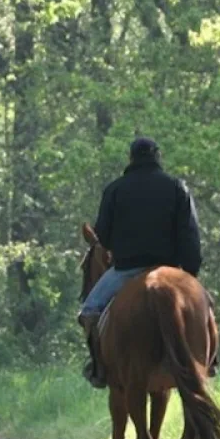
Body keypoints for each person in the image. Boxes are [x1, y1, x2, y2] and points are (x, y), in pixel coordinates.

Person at [79, 137, 203, 388]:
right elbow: (190, 235)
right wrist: (189, 275)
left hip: (127, 269)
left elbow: (102, 235)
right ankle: (208, 360)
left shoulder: (115, 189)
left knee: (89, 310)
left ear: (131, 158)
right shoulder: (177, 187)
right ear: (158, 156)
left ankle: (98, 368)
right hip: (171, 268)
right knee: (205, 305)